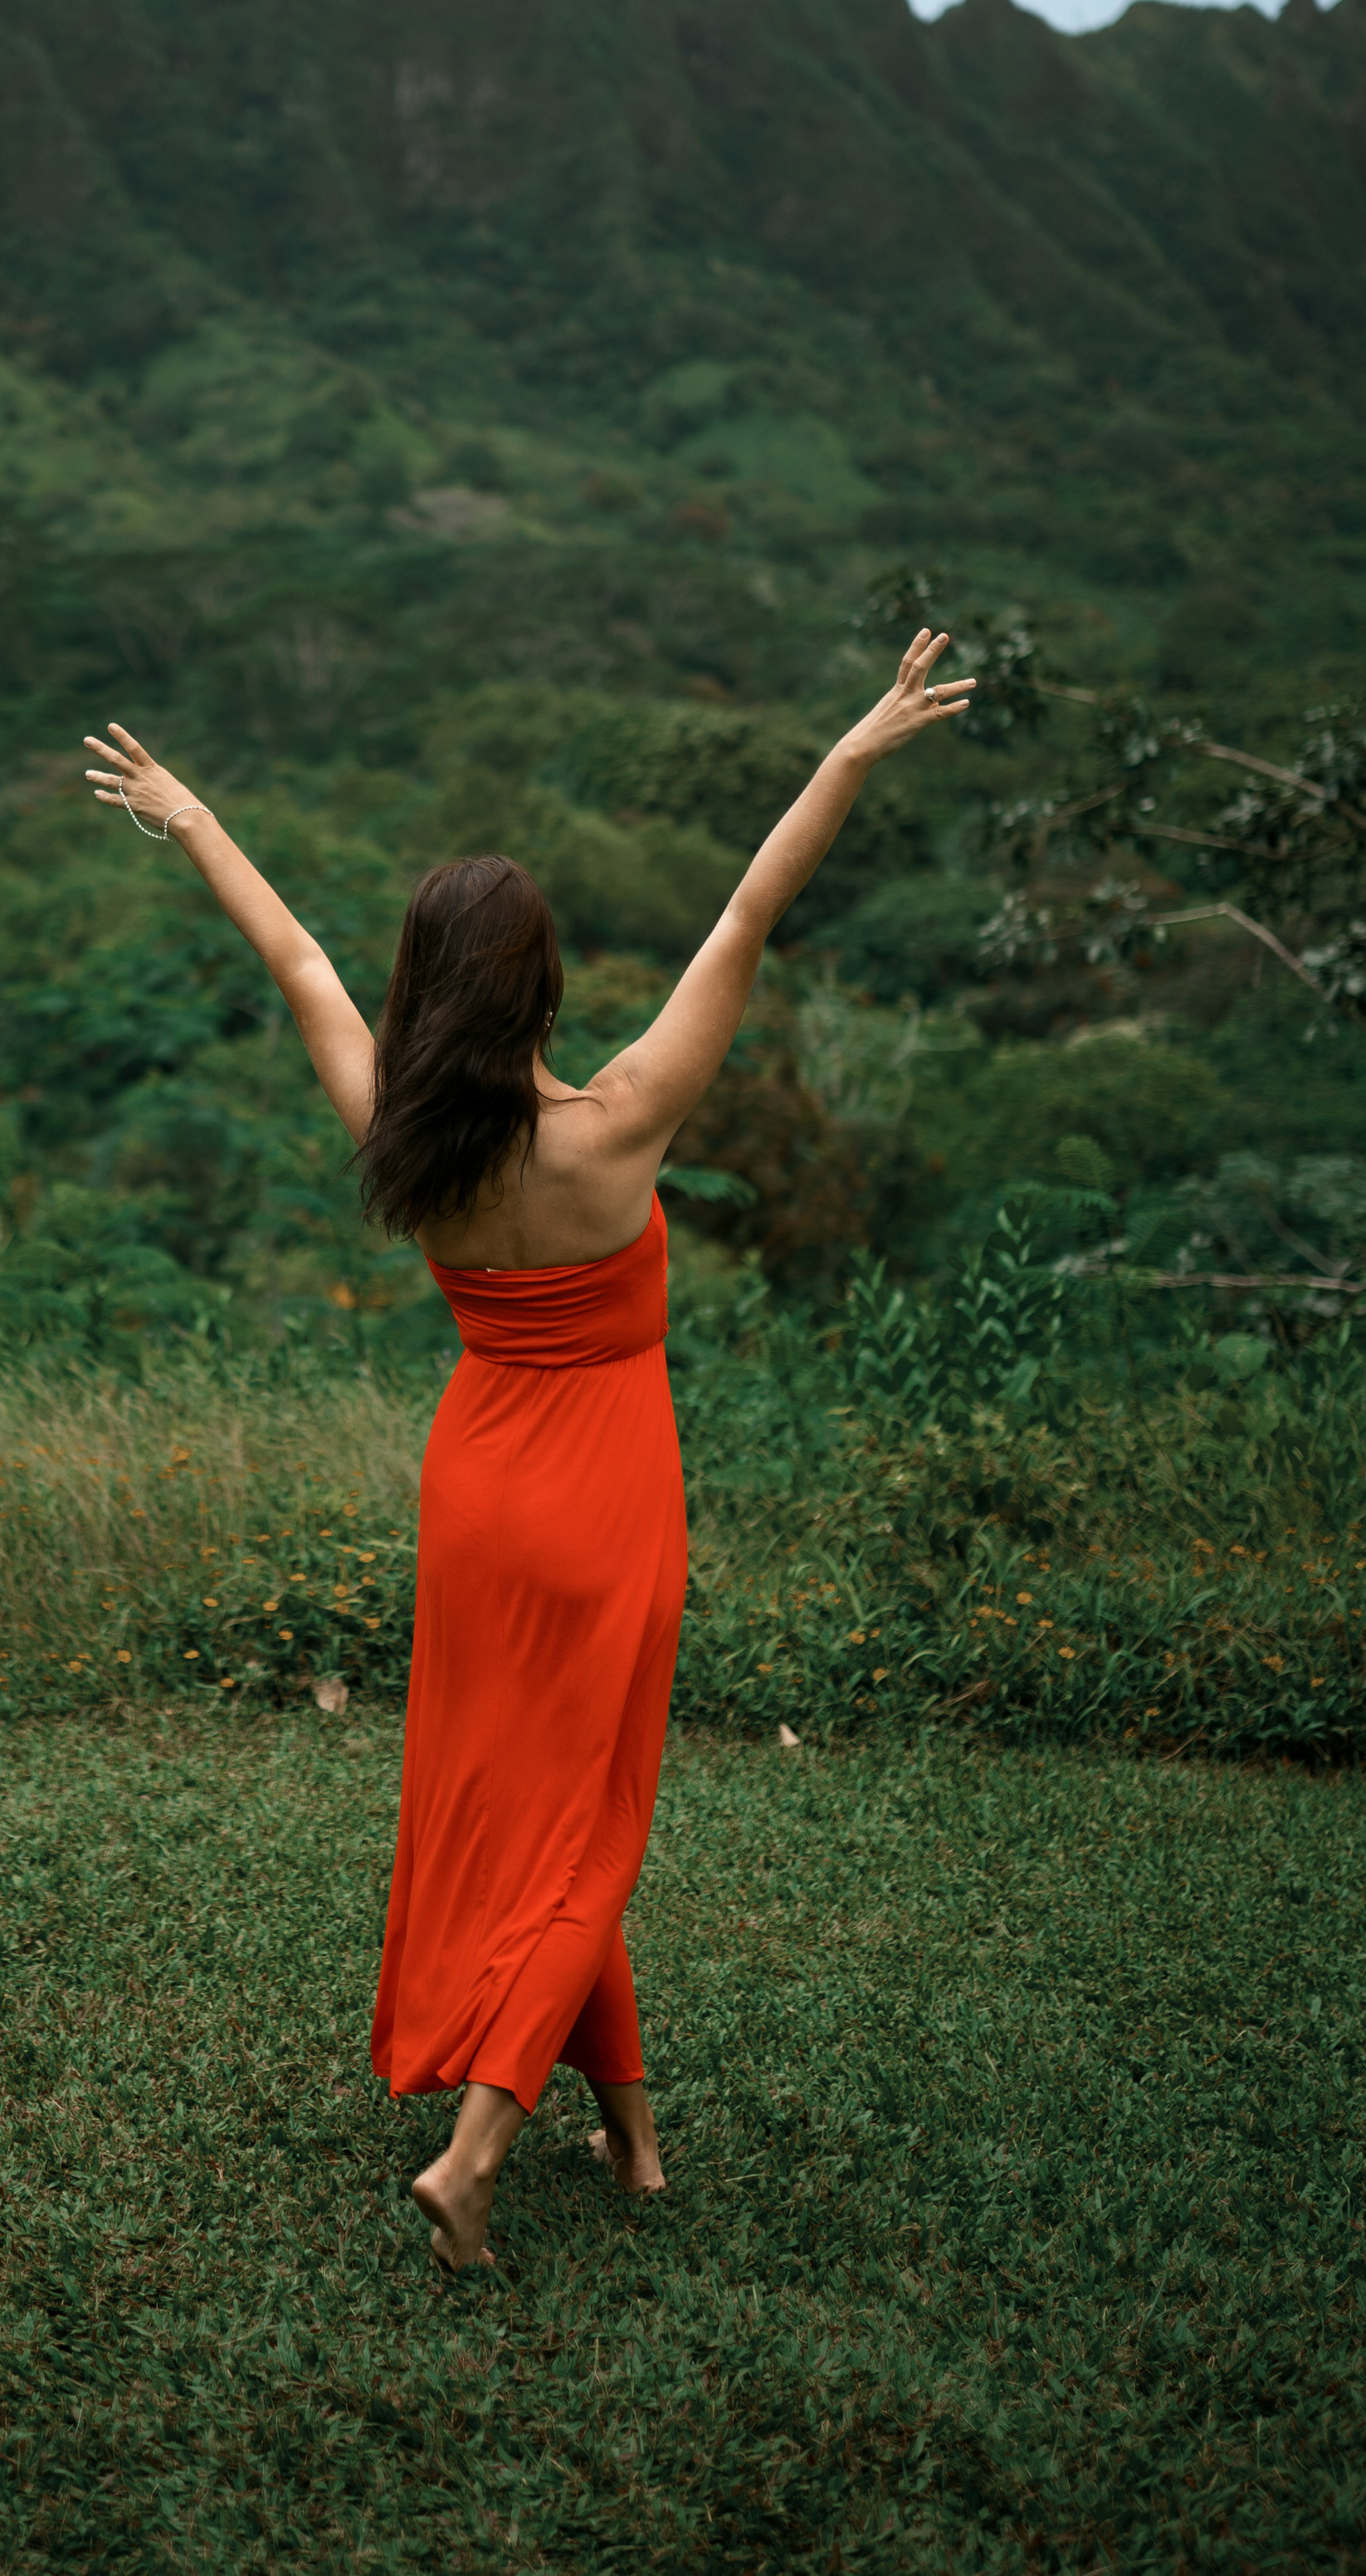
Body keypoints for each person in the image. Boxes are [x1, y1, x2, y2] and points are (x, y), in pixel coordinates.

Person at [83, 632, 973, 2269]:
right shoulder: (619, 1121)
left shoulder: (397, 1132)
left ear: (423, 989)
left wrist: (185, 814)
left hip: (475, 1486)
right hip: (606, 1488)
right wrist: (849, 753)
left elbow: (290, 961)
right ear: (543, 982)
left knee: (541, 1813)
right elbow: (746, 915)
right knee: (589, 1823)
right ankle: (474, 2152)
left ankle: (629, 2136)